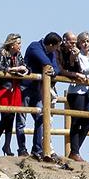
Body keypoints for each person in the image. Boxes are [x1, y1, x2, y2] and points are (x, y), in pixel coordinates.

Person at [23, 32, 62, 160]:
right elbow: (45, 62)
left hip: (37, 89)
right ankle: (21, 149)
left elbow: (56, 68)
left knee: (41, 117)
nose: (57, 50)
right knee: (21, 119)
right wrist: (51, 67)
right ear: (51, 45)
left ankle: (37, 149)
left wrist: (53, 70)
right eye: (56, 47)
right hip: (25, 87)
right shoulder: (35, 47)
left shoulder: (50, 52)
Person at [0, 33, 28, 156]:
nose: (20, 46)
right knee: (5, 118)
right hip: (5, 87)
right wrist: (14, 69)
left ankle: (7, 145)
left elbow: (26, 67)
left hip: (15, 88)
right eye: (18, 43)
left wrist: (24, 70)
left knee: (11, 117)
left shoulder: (18, 55)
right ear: (11, 44)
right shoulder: (3, 53)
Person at [65, 31, 89, 162]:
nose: (85, 43)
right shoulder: (76, 55)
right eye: (83, 41)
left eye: (88, 41)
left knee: (87, 122)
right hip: (76, 91)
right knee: (76, 121)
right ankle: (75, 151)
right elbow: (82, 70)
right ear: (79, 43)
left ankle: (75, 150)